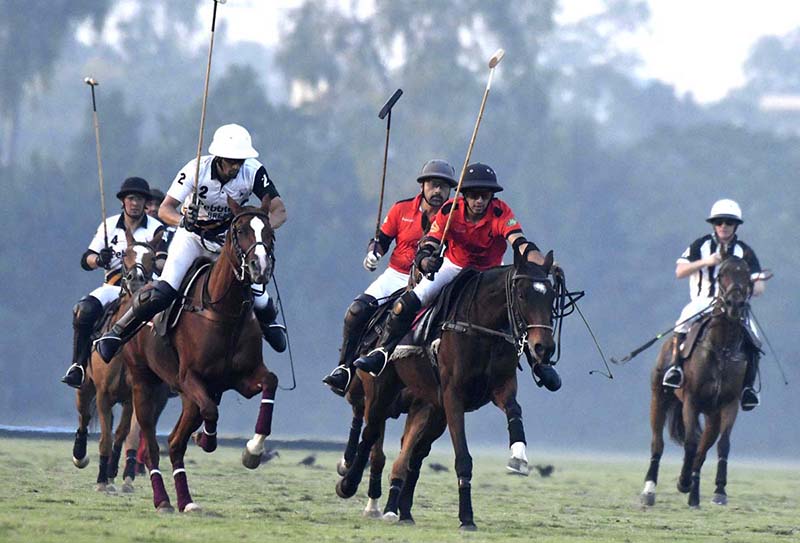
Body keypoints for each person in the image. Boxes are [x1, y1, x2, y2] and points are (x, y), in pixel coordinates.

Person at [94, 123, 288, 362]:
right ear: (218, 158)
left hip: (227, 241)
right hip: (193, 237)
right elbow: (165, 210)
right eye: (231, 161)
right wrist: (184, 220)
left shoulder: (254, 171)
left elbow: (279, 210)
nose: (236, 166)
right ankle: (117, 332)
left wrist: (260, 225)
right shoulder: (196, 169)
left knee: (257, 293)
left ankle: (269, 324)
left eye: (240, 160)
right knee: (165, 290)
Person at [354, 162, 558, 384]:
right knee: (408, 302)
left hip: (488, 272)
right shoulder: (450, 210)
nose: (479, 201)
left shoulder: (500, 211)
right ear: (464, 195)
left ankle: (539, 364)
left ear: (492, 196)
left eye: (484, 195)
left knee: (520, 306)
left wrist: (547, 264)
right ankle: (382, 352)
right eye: (474, 195)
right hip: (454, 266)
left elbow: (520, 244)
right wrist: (425, 261)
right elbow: (430, 242)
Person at [322, 159, 458, 395]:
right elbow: (382, 240)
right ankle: (343, 368)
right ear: (423, 186)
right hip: (396, 274)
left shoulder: (454, 216)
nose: (438, 191)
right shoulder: (401, 209)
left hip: (433, 278)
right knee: (356, 311)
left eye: (444, 187)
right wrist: (374, 253)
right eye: (433, 185)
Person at [661, 199, 766, 410]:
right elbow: (680, 271)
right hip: (702, 301)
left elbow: (759, 284)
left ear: (736, 225)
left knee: (755, 337)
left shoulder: (744, 252)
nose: (724, 226)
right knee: (682, 322)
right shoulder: (700, 245)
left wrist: (750, 289)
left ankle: (748, 388)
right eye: (719, 222)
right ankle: (675, 369)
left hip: (734, 306)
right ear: (714, 224)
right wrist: (706, 262)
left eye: (728, 222)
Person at [61, 177, 165, 388]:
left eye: (140, 199)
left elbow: (164, 261)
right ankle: (78, 367)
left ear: (146, 203)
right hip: (113, 287)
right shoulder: (109, 226)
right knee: (84, 310)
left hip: (145, 288)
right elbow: (86, 260)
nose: (135, 203)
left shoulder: (156, 228)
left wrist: (153, 260)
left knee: (170, 318)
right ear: (123, 201)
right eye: (131, 198)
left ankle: (169, 373)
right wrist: (100, 259)